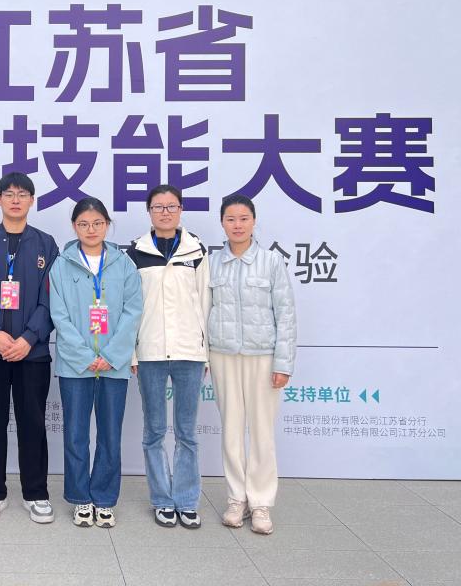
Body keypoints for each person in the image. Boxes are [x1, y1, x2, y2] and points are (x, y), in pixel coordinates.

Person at [0, 172, 60, 525]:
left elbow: (53, 297)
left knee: (33, 422)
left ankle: (36, 493)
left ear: (32, 201)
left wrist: (29, 338)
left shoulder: (46, 244)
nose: (15, 199)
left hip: (32, 353)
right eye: (9, 193)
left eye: (22, 194)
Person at [48, 197, 142, 529]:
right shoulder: (61, 265)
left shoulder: (124, 264)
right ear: (74, 227)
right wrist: (86, 357)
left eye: (98, 223)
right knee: (75, 435)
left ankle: (104, 498)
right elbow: (59, 315)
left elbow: (133, 312)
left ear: (107, 225)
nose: (91, 229)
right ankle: (80, 499)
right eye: (84, 224)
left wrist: (112, 355)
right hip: (75, 366)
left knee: (109, 435)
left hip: (114, 365)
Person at [208, 194, 297, 536]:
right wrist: (203, 355)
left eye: (243, 218)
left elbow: (286, 314)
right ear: (222, 223)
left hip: (263, 356)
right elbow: (204, 311)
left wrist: (283, 362)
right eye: (230, 219)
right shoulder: (212, 263)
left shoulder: (271, 262)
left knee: (261, 432)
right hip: (223, 355)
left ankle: (260, 502)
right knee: (231, 430)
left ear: (254, 221)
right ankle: (236, 499)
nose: (237, 225)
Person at [125, 184, 211, 530]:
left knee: (187, 432)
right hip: (150, 353)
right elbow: (129, 308)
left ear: (180, 210)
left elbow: (205, 304)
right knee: (155, 431)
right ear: (149, 211)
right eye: (158, 207)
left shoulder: (196, 250)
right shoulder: (136, 252)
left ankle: (187, 500)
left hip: (190, 353)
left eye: (171, 206)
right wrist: (132, 352)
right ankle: (162, 499)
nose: (165, 212)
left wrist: (205, 353)